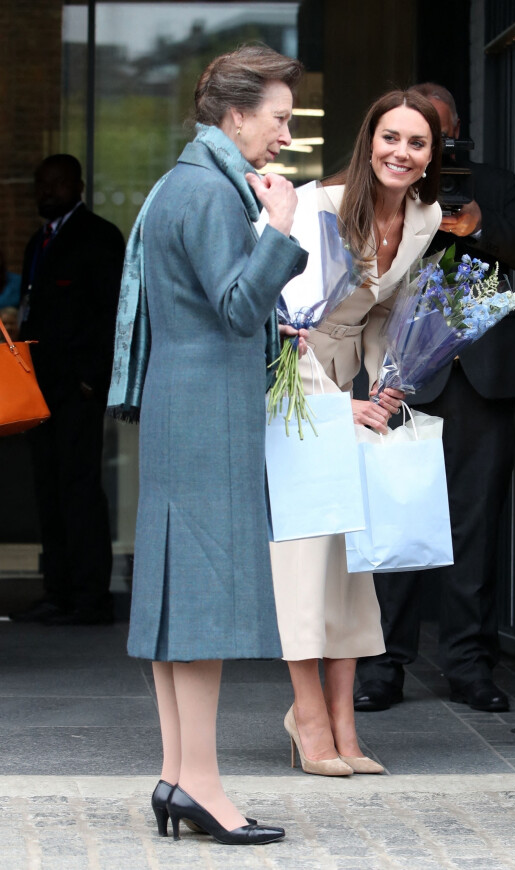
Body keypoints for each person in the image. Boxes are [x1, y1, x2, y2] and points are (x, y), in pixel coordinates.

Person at [107, 45, 308, 845]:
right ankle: (203, 787)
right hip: (207, 411)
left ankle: (181, 779)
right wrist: (282, 230)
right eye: (280, 118)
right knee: (202, 605)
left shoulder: (181, 185)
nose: (286, 135)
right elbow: (233, 307)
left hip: (182, 402)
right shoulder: (212, 192)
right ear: (235, 115)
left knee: (178, 606)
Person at [355, 83, 515, 714]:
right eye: (409, 134)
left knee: (475, 525)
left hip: (482, 377)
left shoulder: (493, 183)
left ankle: (469, 665)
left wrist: (480, 227)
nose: (420, 147)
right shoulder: (384, 183)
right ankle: (383, 666)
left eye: (433, 135)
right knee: (398, 516)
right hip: (403, 375)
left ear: (454, 132)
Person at [270, 90, 442, 776]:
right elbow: (283, 321)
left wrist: (388, 381)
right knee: (307, 554)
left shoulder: (425, 218)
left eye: (417, 143)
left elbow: (384, 314)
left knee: (351, 557)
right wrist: (334, 407)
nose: (401, 152)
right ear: (368, 140)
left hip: (353, 390)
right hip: (295, 386)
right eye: (390, 137)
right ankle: (306, 715)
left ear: (432, 156)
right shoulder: (314, 208)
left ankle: (344, 722)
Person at [10, 154, 125, 626]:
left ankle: (89, 596)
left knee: (79, 489)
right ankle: (56, 590)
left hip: (76, 389)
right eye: (40, 184)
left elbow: (112, 313)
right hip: (38, 388)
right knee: (48, 490)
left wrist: (90, 379)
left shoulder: (97, 237)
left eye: (55, 184)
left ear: (77, 185)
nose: (46, 192)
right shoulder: (38, 241)